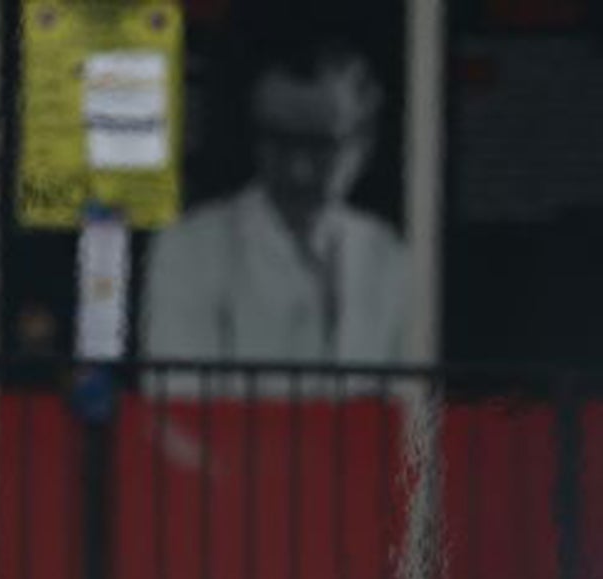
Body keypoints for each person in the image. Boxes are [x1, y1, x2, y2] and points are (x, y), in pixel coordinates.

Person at [141, 40, 411, 378]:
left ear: (364, 142)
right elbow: (178, 398)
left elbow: (410, 405)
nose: (299, 168)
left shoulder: (390, 257)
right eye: (280, 141)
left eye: (320, 145)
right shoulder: (188, 248)